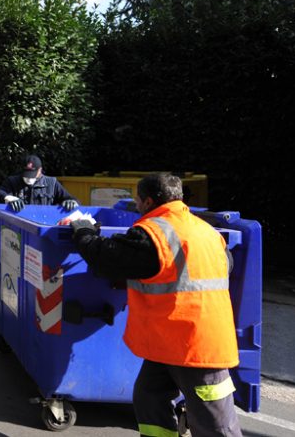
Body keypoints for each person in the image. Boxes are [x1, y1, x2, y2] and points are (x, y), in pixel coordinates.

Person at [70, 173, 241, 437]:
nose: (136, 206)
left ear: (148, 201)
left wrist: (82, 231)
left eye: (137, 200)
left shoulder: (153, 234)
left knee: (214, 425)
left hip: (196, 348)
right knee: (149, 396)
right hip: (175, 339)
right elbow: (223, 267)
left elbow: (106, 259)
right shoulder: (206, 231)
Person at [0, 154, 78, 211]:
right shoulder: (13, 181)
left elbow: (71, 199)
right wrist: (7, 197)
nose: (28, 178)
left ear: (40, 170)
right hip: (18, 222)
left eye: (32, 175)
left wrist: (70, 202)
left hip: (43, 222)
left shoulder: (51, 183)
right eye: (26, 174)